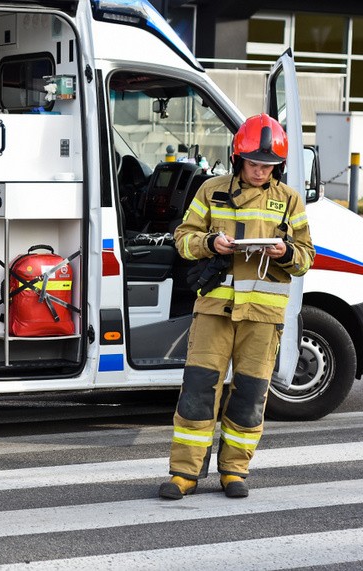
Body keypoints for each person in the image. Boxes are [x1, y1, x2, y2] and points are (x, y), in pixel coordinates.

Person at [159, 113, 314, 500]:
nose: (260, 171)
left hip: (262, 316)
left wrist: (285, 252)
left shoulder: (290, 200)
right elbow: (182, 239)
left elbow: (306, 257)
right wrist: (210, 244)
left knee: (249, 394)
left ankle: (234, 471)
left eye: (268, 165)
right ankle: (184, 474)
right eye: (254, 163)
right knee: (197, 391)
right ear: (237, 158)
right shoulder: (211, 190)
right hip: (215, 308)